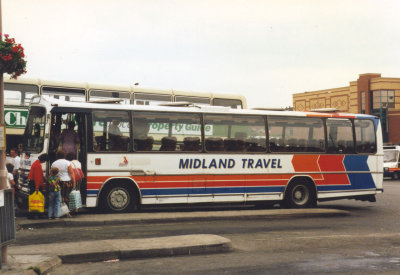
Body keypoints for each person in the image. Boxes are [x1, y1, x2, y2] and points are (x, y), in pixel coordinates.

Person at [51, 150, 75, 216]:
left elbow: (51, 174)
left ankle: (58, 212)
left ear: (57, 156)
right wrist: (74, 183)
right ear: (64, 155)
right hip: (67, 181)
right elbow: (71, 173)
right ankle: (67, 213)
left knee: (59, 197)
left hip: (57, 182)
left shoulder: (54, 163)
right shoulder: (67, 163)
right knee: (66, 197)